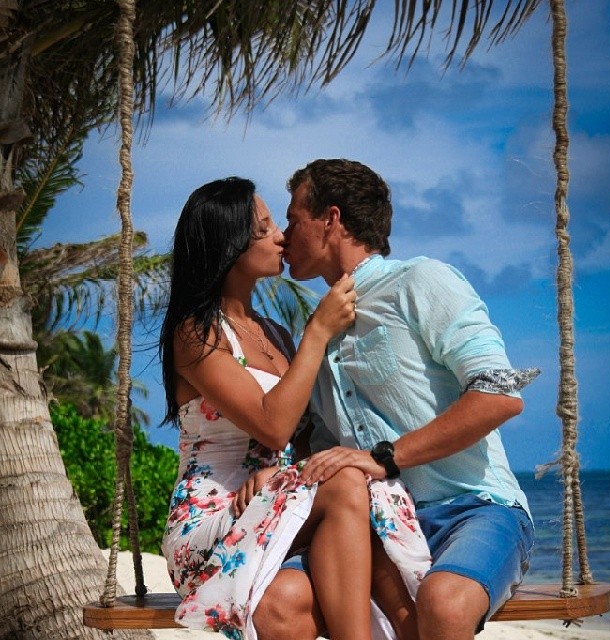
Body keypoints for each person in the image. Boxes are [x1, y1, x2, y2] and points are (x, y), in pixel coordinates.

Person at [253, 159, 538, 640]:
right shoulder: (315, 334)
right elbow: (317, 445)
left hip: (473, 508)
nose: (284, 236)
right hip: (369, 530)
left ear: (331, 220)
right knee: (277, 603)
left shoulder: (420, 281)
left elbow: (499, 396)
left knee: (444, 604)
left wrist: (386, 457)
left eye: (293, 219)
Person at [159, 177, 430, 640]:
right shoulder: (196, 333)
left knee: (288, 599)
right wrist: (318, 332)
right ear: (230, 246)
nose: (281, 237)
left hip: (272, 506)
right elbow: (273, 426)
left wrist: (276, 476)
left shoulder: (276, 335)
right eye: (264, 229)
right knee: (346, 480)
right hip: (212, 523)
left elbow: (301, 440)